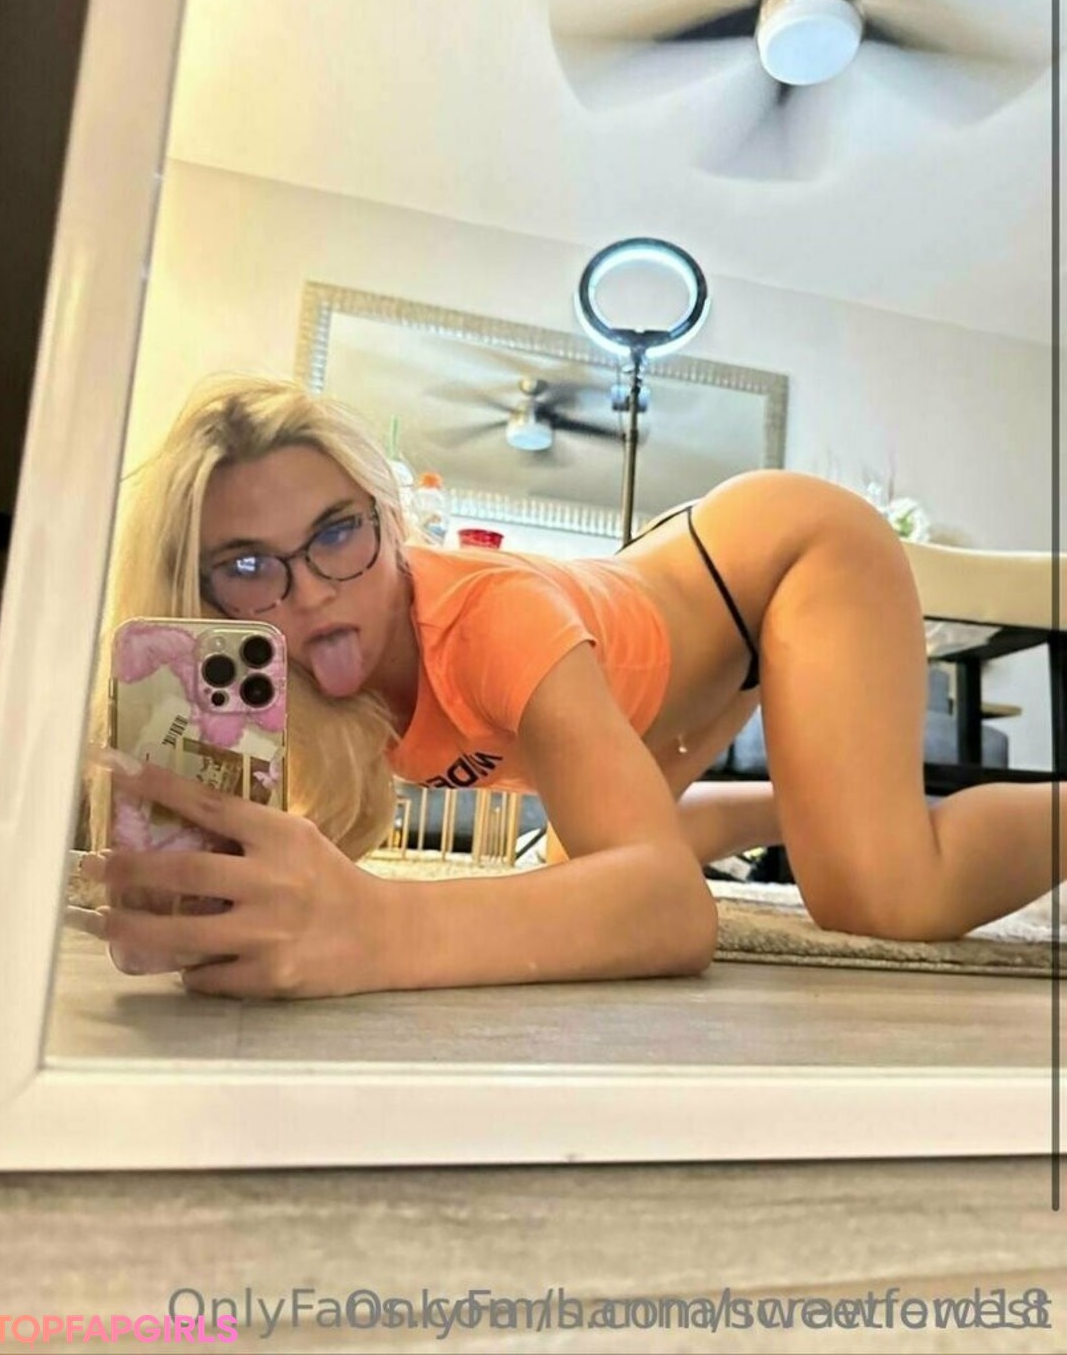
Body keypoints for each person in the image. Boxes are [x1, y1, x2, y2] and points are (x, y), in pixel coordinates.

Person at [84, 375, 1063, 999]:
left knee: (878, 895)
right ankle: (808, 806)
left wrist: (378, 925)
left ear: (387, 520)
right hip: (676, 633)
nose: (309, 593)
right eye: (247, 566)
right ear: (198, 595)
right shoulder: (285, 693)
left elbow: (672, 912)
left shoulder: (486, 622)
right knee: (575, 866)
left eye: (337, 531)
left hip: (779, 558)